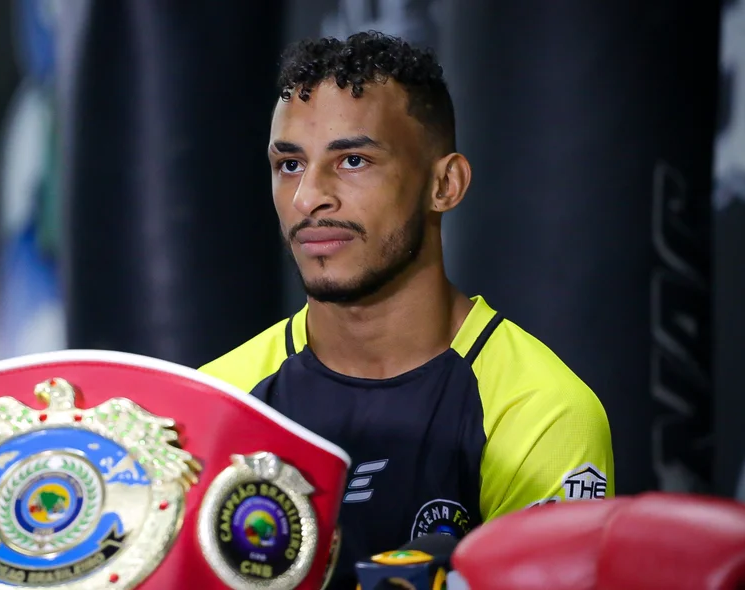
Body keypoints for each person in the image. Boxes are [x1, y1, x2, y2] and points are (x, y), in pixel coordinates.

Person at [199, 31, 615, 589]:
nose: (308, 198)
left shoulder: (540, 412)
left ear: (445, 184)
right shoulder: (218, 400)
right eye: (290, 165)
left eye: (352, 160)